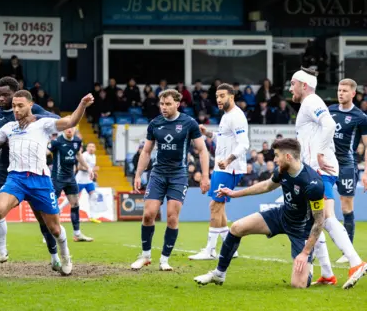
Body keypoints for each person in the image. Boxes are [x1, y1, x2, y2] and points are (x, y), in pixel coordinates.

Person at [0, 91, 94, 276]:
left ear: (30, 106)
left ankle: (65, 256)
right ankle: (1, 252)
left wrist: (82, 104)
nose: (16, 109)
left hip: (40, 181)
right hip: (16, 179)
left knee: (55, 229)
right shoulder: (9, 127)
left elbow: (70, 122)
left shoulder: (43, 124)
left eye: (20, 106)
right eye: (14, 106)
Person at [194, 138, 323, 288]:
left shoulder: (313, 183)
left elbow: (320, 221)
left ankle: (309, 266)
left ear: (288, 157)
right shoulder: (282, 170)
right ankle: (219, 274)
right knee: (236, 227)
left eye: (276, 156)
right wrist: (234, 193)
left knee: (298, 285)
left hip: (301, 229)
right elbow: (266, 186)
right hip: (282, 215)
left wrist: (305, 252)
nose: (274, 160)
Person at [0, 77, 60, 275]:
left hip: (29, 170)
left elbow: (55, 118)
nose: (1, 98)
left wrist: (35, 121)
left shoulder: (32, 110)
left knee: (42, 218)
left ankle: (55, 257)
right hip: (3, 169)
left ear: (17, 94)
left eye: (6, 95)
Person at [290, 69, 367, 288]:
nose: (290, 89)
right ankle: (327, 273)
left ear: (304, 85)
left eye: (293, 84)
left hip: (321, 169)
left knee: (326, 217)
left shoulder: (311, 100)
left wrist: (321, 152)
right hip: (314, 168)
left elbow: (330, 125)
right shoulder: (310, 103)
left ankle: (355, 262)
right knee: (315, 220)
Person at [131, 89, 211, 271]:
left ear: (177, 103)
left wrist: (205, 176)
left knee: (172, 217)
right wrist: (138, 174)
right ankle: (145, 256)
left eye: (168, 104)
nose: (164, 107)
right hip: (158, 174)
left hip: (178, 175)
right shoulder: (155, 124)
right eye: (161, 104)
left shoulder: (189, 123)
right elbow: (146, 151)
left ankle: (164, 259)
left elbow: (202, 150)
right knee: (148, 214)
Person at [190, 84, 249, 260]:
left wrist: (228, 160)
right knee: (217, 206)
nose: (219, 99)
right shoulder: (226, 116)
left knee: (215, 206)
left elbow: (244, 144)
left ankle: (210, 250)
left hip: (228, 168)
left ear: (231, 96)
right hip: (222, 167)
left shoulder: (237, 116)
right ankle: (230, 247)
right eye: (217, 96)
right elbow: (222, 138)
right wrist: (207, 133)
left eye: (222, 96)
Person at [328, 78, 367, 264]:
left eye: (344, 90)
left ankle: (348, 250)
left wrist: (366, 172)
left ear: (353, 93)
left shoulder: (360, 117)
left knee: (346, 207)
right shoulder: (330, 111)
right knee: (319, 205)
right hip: (327, 164)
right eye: (339, 89)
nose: (340, 93)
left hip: (346, 166)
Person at [49, 128, 93, 242]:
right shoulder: (56, 141)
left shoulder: (77, 141)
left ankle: (77, 234)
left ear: (74, 129)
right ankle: (50, 234)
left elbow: (78, 155)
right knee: (52, 206)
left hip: (71, 178)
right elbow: (45, 153)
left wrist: (88, 168)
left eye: (71, 128)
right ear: (63, 129)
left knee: (75, 203)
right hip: (57, 178)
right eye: (67, 127)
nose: (69, 130)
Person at [76, 142, 100, 223]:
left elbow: (91, 168)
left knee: (94, 196)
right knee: (72, 198)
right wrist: (91, 170)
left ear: (95, 149)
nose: (91, 148)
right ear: (87, 148)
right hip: (80, 180)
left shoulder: (94, 156)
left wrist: (94, 173)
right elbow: (79, 167)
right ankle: (59, 209)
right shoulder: (84, 155)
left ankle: (92, 217)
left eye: (93, 146)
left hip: (88, 180)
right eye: (89, 146)